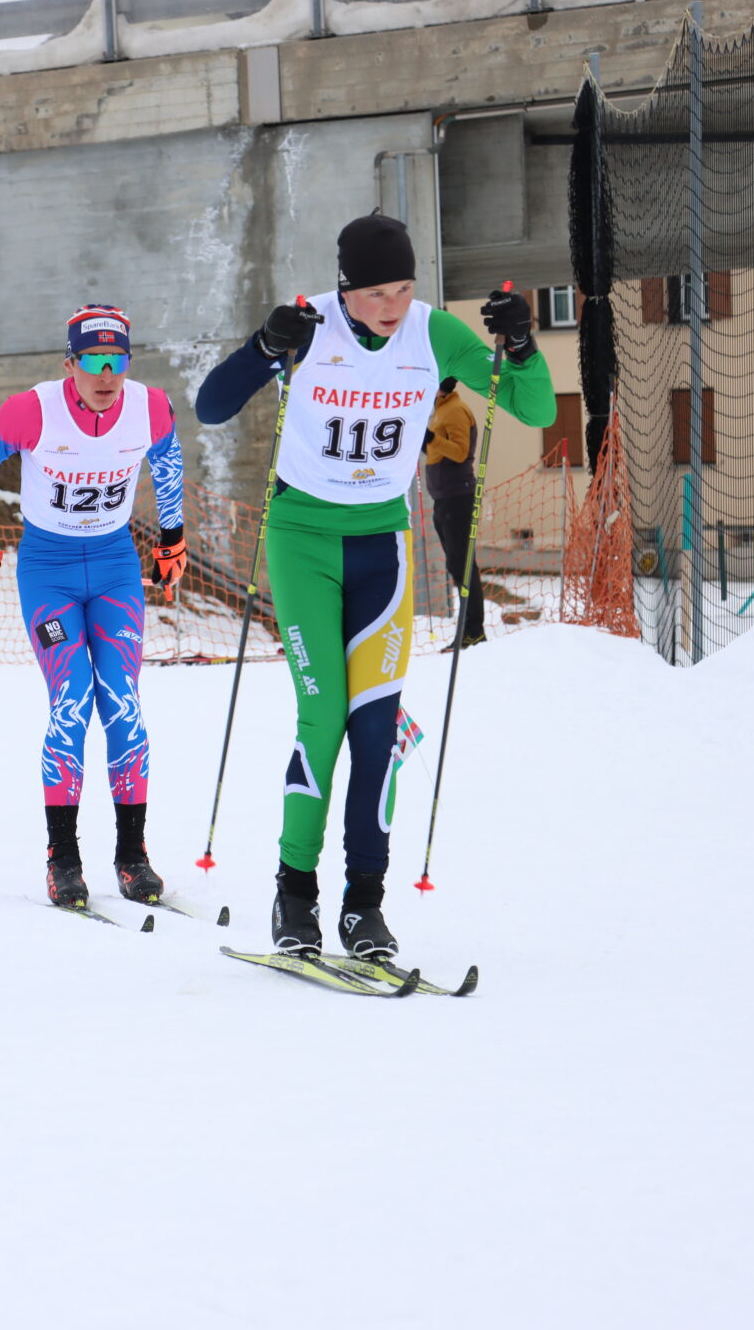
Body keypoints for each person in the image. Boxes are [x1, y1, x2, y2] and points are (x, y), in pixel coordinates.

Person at [194, 214, 555, 960]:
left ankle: (365, 905)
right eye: (375, 293)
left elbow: (539, 409)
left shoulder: (433, 334)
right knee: (322, 720)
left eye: (403, 288)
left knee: (377, 734)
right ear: (344, 290)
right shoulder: (309, 328)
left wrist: (520, 343)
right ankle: (295, 893)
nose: (392, 306)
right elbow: (211, 405)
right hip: (301, 542)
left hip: (381, 547)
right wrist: (266, 346)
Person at [0, 304, 186, 912]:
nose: (107, 374)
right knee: (72, 698)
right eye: (94, 361)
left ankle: (132, 855)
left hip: (114, 569)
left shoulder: (150, 406)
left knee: (123, 701)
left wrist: (173, 536)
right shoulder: (32, 409)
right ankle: (63, 860)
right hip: (50, 574)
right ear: (71, 363)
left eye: (118, 360)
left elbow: (167, 462)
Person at [422, 376, 486, 647]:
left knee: (463, 565)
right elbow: (437, 450)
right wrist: (424, 443)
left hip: (458, 495)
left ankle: (473, 631)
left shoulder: (456, 410)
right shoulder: (441, 409)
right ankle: (468, 630)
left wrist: (430, 439)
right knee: (456, 565)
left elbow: (460, 453)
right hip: (444, 497)